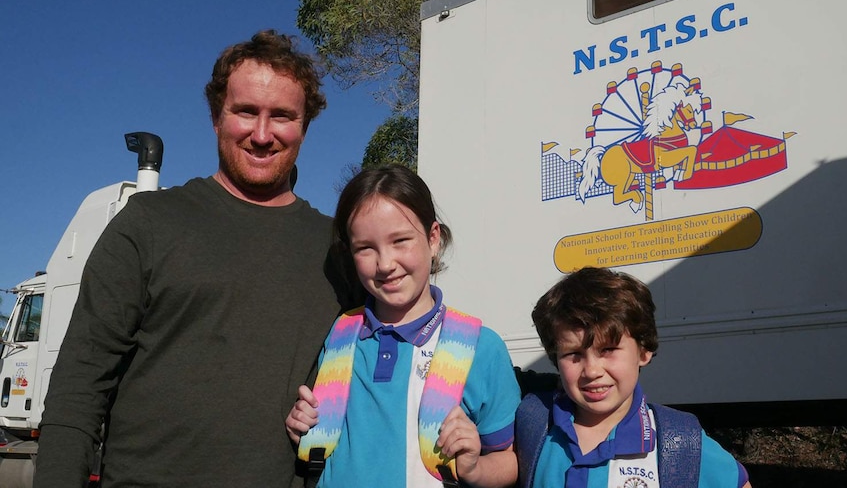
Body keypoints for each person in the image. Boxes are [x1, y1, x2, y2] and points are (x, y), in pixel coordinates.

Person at [34, 30, 354, 488]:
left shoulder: (339, 248)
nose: (262, 134)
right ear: (216, 117)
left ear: (304, 126)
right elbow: (79, 387)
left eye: (282, 116)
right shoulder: (148, 223)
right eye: (246, 112)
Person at [285, 164, 521, 488]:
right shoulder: (339, 335)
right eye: (365, 248)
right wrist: (304, 427)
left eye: (400, 241)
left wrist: (474, 468)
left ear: (433, 238)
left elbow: (508, 460)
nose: (385, 264)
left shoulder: (482, 346)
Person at [519, 267, 752, 488]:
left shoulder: (679, 441)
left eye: (607, 350)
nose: (591, 370)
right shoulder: (535, 424)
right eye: (573, 354)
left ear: (643, 351)